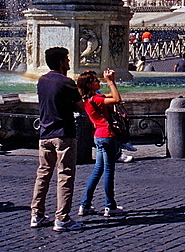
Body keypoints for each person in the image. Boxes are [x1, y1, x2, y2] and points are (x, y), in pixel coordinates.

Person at [30, 47, 82, 231]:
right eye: (67, 59)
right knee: (65, 175)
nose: (69, 62)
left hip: (44, 134)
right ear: (61, 62)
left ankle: (36, 215)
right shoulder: (67, 82)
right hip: (63, 134)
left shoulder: (41, 81)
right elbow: (80, 106)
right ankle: (62, 218)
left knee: (43, 175)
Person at [76, 69, 125, 218]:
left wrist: (111, 83)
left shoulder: (89, 99)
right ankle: (110, 205)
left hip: (98, 136)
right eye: (96, 80)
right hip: (107, 135)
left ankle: (85, 204)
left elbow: (113, 96)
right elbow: (117, 99)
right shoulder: (96, 99)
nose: (99, 82)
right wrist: (110, 82)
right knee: (108, 172)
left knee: (98, 170)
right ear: (90, 85)